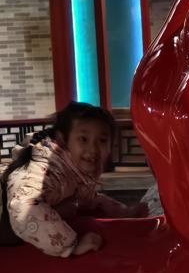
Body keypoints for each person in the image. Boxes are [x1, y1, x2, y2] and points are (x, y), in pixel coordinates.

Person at [0, 101, 146, 257]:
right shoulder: (48, 169)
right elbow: (24, 208)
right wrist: (69, 244)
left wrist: (124, 212)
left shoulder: (72, 170)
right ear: (63, 140)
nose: (93, 149)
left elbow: (89, 198)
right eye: (83, 139)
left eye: (102, 140)